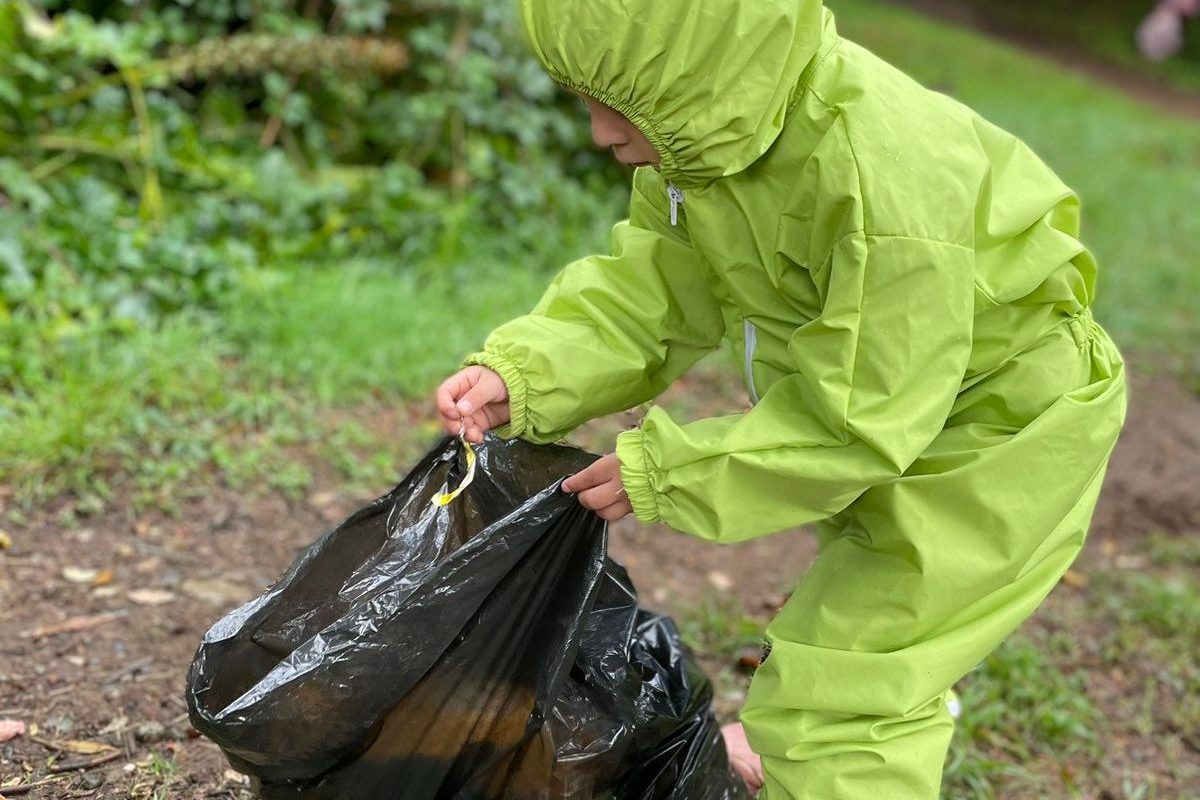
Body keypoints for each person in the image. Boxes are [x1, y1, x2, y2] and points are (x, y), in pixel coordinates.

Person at [434, 0, 1127, 796]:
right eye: (585, 101)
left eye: (616, 104)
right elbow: (656, 288)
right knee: (866, 641)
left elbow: (861, 417)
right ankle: (840, 726)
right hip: (906, 405)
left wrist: (670, 472)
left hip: (1001, 429)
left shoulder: (879, 179)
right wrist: (525, 374)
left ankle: (842, 742)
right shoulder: (705, 142)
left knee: (846, 692)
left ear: (701, 71)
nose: (599, 133)